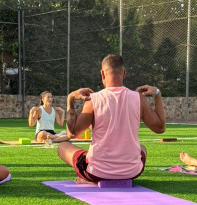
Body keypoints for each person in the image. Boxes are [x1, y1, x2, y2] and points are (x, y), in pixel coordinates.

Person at [57, 54, 166, 183]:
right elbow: (160, 128)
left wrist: (70, 99)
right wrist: (157, 95)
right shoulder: (139, 98)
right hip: (131, 172)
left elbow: (72, 133)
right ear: (124, 73)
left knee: (62, 146)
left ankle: (88, 178)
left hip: (96, 173)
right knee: (142, 148)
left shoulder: (93, 100)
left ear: (102, 74)